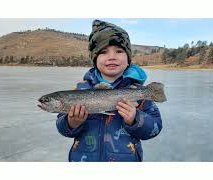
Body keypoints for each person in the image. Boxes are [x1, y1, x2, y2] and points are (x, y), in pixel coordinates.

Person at [56, 19, 163, 162]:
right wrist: (72, 122)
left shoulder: (139, 92)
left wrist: (135, 118)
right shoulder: (79, 90)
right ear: (95, 59)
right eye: (103, 52)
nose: (112, 57)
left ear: (128, 59)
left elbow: (155, 128)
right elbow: (62, 127)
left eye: (119, 51)